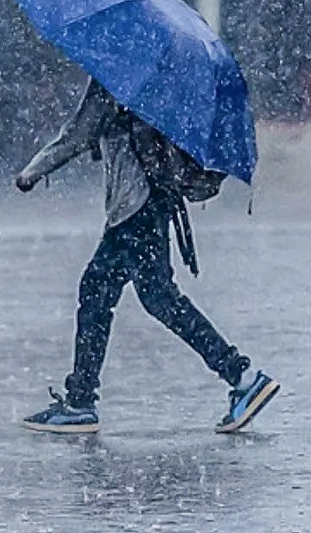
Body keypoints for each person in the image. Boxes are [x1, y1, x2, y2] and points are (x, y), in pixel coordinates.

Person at [15, 77, 279, 434]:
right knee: (139, 295)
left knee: (117, 293)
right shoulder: (154, 79)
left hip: (134, 206)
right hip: (152, 201)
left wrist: (32, 171)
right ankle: (82, 398)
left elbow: (79, 133)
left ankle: (241, 376)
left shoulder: (116, 75)